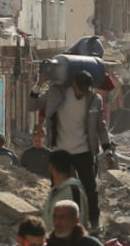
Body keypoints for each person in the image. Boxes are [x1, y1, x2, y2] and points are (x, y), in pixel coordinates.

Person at [44, 69, 109, 231]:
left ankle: (93, 220)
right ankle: (56, 224)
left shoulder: (94, 100)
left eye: (85, 89)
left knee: (90, 188)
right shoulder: (57, 93)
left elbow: (101, 126)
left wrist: (107, 149)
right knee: (59, 189)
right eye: (80, 89)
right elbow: (33, 105)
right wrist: (38, 85)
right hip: (61, 151)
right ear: (73, 84)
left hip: (84, 150)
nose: (82, 92)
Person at [43, 149, 90, 235]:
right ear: (71, 168)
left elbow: (78, 227)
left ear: (51, 168)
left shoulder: (74, 191)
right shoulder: (54, 192)